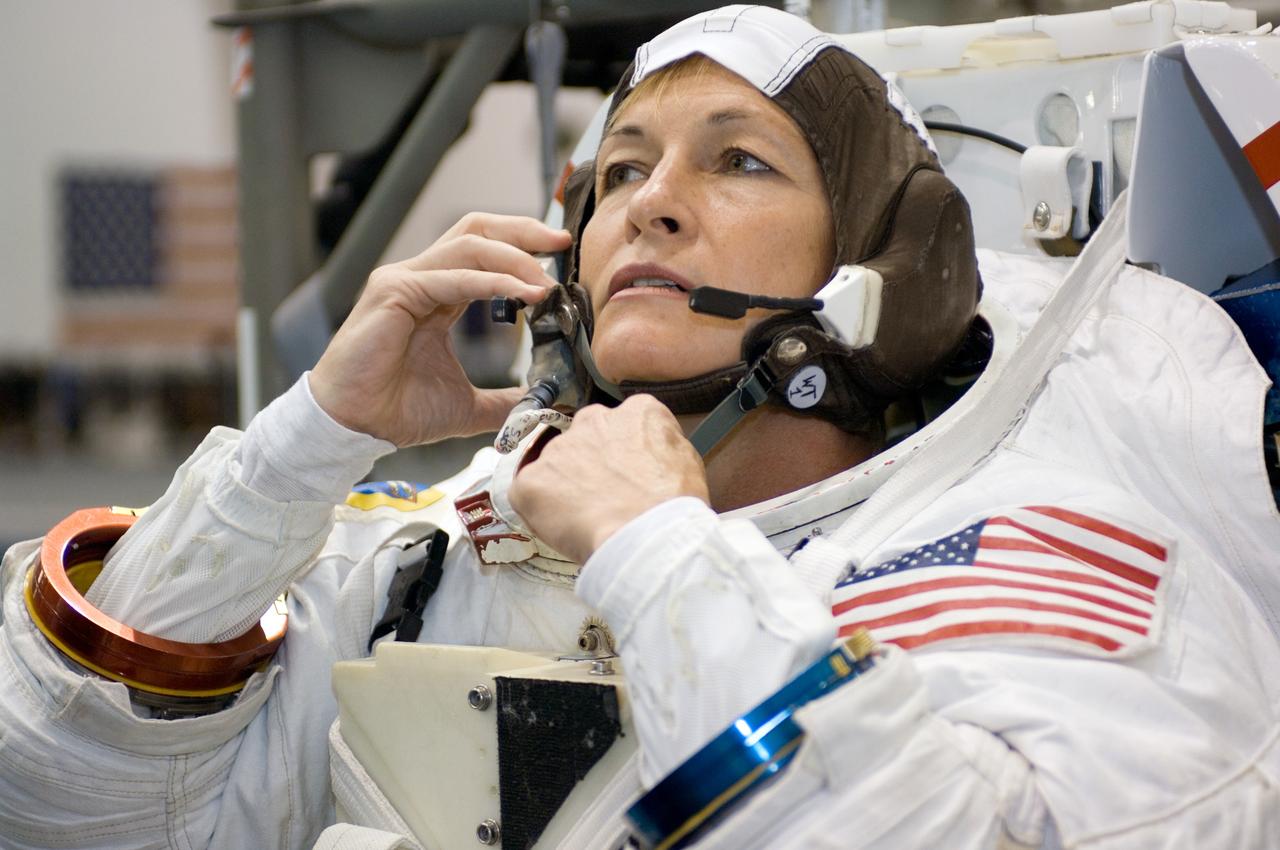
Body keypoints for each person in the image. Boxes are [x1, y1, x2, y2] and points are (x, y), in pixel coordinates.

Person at [2, 6, 1279, 850]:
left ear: (888, 262)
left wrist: (660, 556)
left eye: (738, 162)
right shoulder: (446, 551)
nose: (651, 205)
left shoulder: (1046, 550)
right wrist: (305, 446)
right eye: (619, 170)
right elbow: (73, 801)